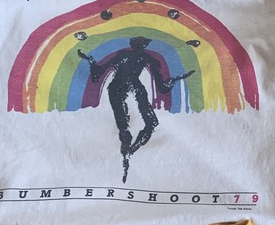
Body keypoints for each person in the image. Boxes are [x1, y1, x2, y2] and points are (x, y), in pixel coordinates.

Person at [77, 37, 194, 181]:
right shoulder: (146, 58)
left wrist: (90, 61)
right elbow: (162, 87)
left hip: (117, 88)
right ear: (143, 45)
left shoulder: (124, 55)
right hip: (130, 88)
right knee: (145, 124)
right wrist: (174, 81)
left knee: (128, 127)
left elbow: (97, 73)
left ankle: (128, 153)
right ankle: (129, 153)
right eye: (144, 44)